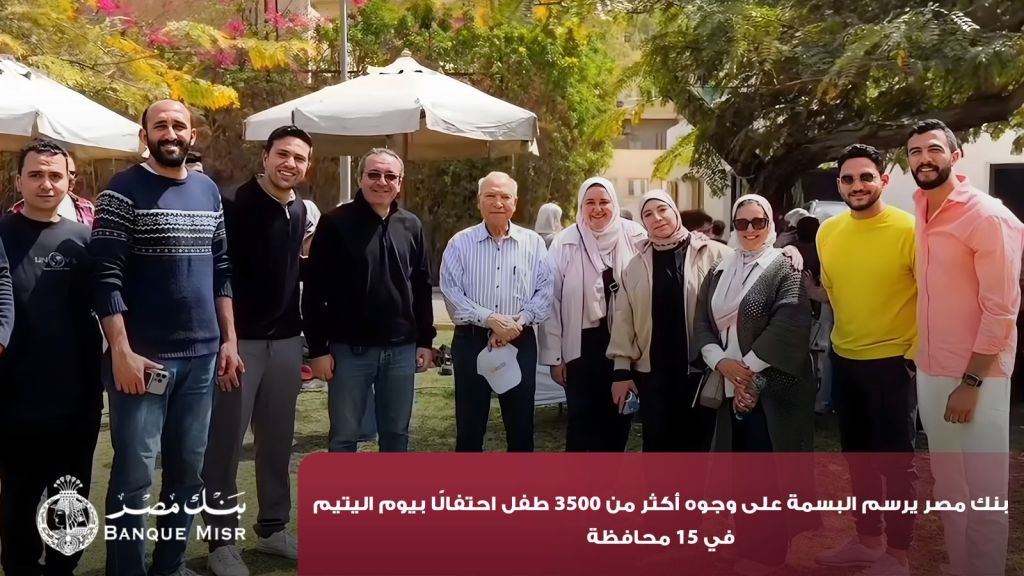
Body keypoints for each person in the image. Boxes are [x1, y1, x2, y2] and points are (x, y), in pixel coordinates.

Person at [91, 99, 243, 576]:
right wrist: (121, 351)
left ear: (192, 135)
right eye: (161, 126)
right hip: (143, 362)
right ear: (145, 136)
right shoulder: (122, 190)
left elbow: (221, 269)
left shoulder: (207, 191)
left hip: (202, 360)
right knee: (135, 478)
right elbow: (104, 276)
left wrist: (229, 340)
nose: (171, 133)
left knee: (187, 475)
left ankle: (170, 566)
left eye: (179, 125)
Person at [908, 119, 1023, 576]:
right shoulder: (921, 206)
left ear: (956, 156)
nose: (924, 159)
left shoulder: (988, 216)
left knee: (985, 494)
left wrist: (971, 381)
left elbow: (1002, 310)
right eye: (915, 152)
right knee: (949, 488)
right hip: (931, 369)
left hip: (979, 376)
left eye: (934, 149)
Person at [201, 126, 313, 575]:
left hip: (286, 342)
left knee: (277, 443)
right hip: (239, 343)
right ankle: (221, 541)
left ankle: (272, 529)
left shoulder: (299, 209)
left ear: (307, 165)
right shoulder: (231, 203)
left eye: (299, 158)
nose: (290, 163)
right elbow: (218, 274)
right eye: (282, 154)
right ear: (265, 156)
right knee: (225, 446)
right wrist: (227, 339)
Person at [693, 193, 815, 575]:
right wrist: (721, 363)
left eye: (758, 222)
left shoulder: (784, 267)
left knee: (768, 469)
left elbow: (790, 324)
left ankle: (769, 554)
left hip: (773, 387)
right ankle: (748, 545)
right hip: (730, 383)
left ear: (770, 224)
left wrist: (745, 370)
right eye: (742, 223)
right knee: (742, 471)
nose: (750, 230)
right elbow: (701, 323)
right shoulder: (720, 269)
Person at [812, 144, 918, 576]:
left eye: (866, 177)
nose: (857, 185)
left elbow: (929, 296)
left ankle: (898, 556)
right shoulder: (828, 232)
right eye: (849, 179)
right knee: (857, 458)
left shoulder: (911, 229)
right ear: (839, 185)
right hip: (845, 360)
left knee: (896, 464)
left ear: (883, 181)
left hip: (895, 363)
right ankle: (868, 541)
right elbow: (832, 292)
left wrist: (913, 355)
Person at [0, 140, 102, 576]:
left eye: (55, 175)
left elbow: (109, 305)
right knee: (18, 498)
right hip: (14, 396)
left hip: (77, 395)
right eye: (36, 175)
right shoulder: (2, 234)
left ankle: (65, 568)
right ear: (18, 180)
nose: (46, 184)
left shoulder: (85, 240)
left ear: (69, 182)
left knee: (71, 495)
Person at [304, 148, 435, 453]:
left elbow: (422, 286)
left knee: (396, 435)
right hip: (349, 352)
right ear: (360, 179)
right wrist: (318, 349)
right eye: (373, 174)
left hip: (401, 351)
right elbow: (314, 291)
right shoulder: (334, 223)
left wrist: (425, 341)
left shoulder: (411, 225)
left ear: (400, 183)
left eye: (390, 176)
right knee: (344, 437)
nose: (382, 182)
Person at [606, 190, 729, 452]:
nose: (657, 218)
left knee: (697, 449)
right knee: (657, 448)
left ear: (675, 212)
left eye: (662, 210)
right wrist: (621, 371)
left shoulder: (714, 253)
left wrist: (787, 251)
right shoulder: (635, 265)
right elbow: (623, 319)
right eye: (648, 214)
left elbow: (753, 261)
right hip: (654, 376)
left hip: (699, 372)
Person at [440, 171, 553, 452]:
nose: (498, 202)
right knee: (469, 428)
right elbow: (451, 294)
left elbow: (545, 291)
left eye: (505, 196)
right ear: (479, 201)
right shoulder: (459, 243)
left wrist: (516, 323)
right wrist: (491, 319)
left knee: (521, 428)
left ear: (515, 202)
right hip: (471, 340)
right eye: (490, 195)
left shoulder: (533, 243)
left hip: (520, 339)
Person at [540, 177, 646, 452]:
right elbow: (551, 302)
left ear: (614, 203)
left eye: (604, 202)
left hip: (625, 346)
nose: (597, 209)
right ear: (581, 205)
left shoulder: (636, 236)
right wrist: (555, 358)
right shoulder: (564, 242)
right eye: (590, 202)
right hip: (580, 347)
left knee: (618, 421)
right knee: (581, 424)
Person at [8, 154, 96, 226]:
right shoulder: (16, 212)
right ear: (19, 181)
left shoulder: (86, 207)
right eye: (36, 175)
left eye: (72, 173)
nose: (70, 178)